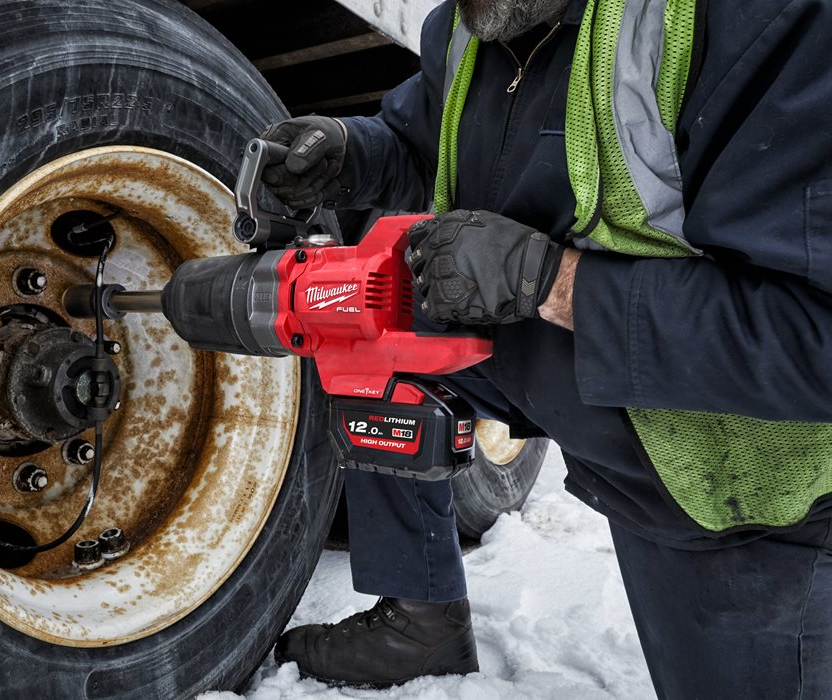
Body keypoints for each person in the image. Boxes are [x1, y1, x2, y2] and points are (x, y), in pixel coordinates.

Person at [257, 0, 832, 696]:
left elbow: (814, 341)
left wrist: (554, 283)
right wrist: (351, 153)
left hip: (733, 473)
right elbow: (423, 141)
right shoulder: (467, 26)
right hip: (570, 376)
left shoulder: (755, 23)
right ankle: (421, 619)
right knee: (364, 327)